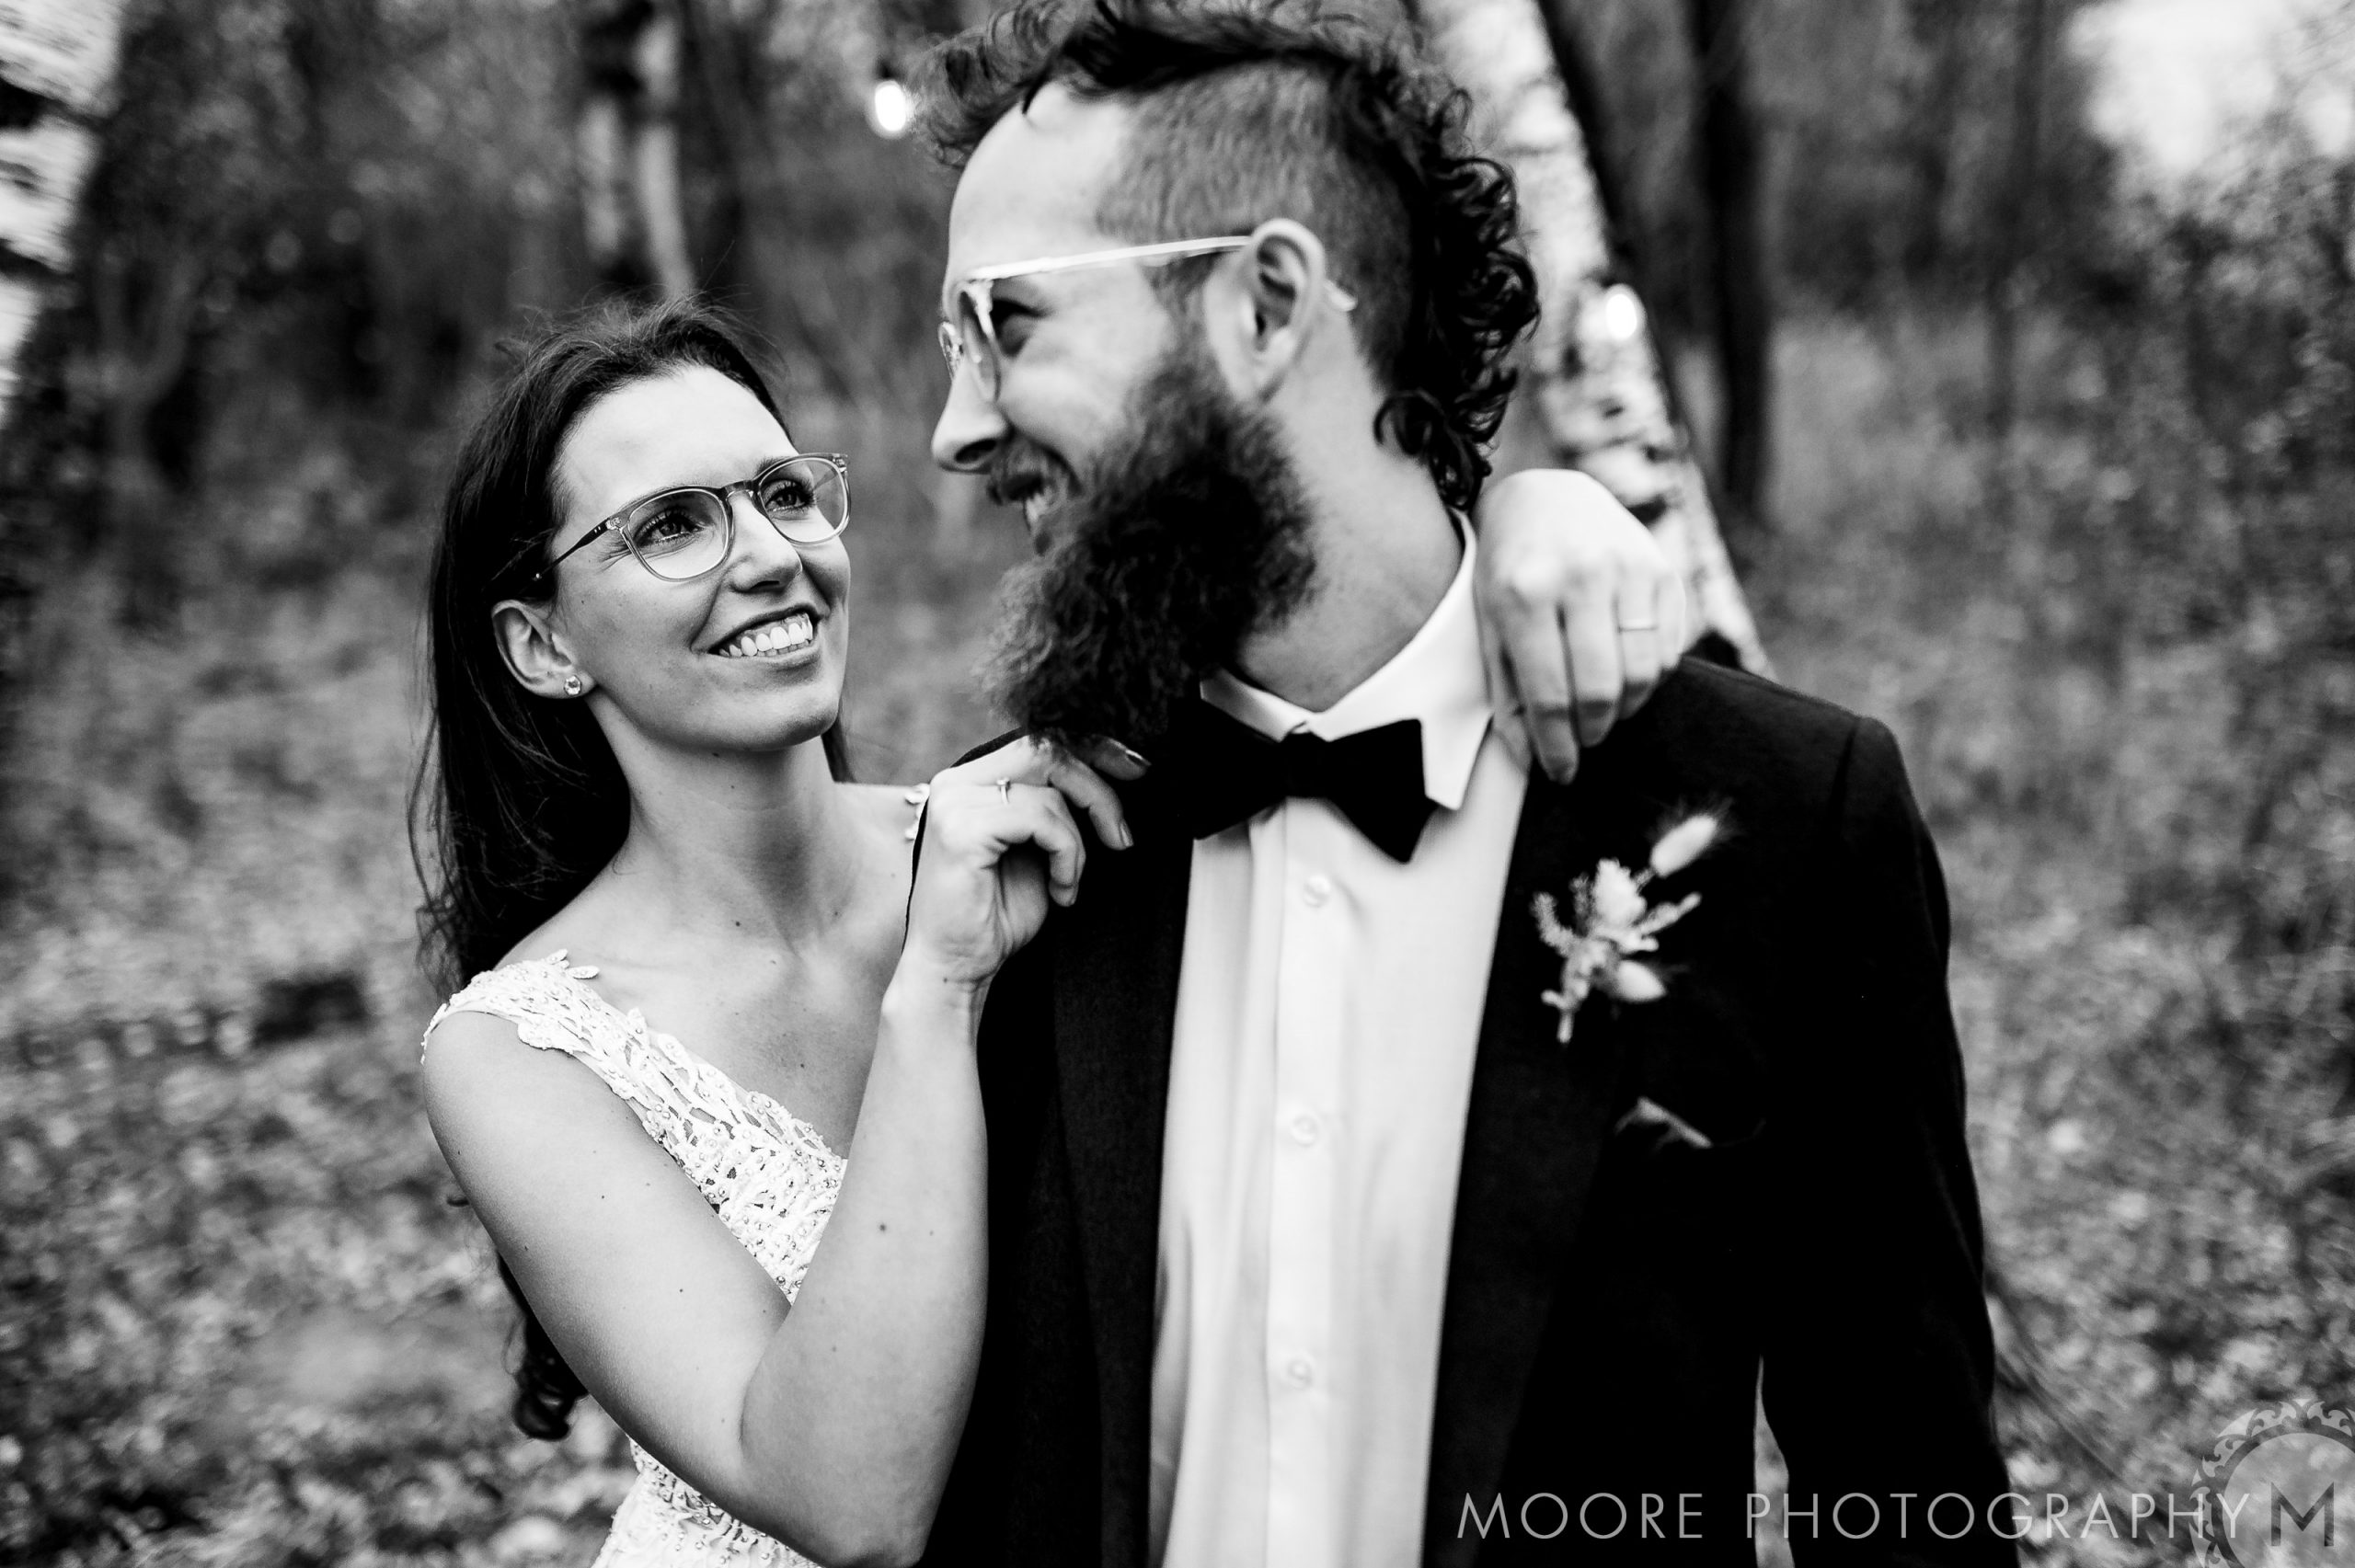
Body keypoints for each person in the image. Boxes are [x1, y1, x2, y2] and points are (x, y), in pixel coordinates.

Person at [913, 5, 2017, 1566]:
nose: (954, 429)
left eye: (1006, 326)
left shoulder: (1777, 816)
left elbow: (1905, 1497)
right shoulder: (1008, 860)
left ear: (1266, 301)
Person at [413, 298, 1683, 1567]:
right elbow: (848, 1503)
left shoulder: (1019, 835)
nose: (767, 555)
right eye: (674, 526)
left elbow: (1314, 628)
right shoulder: (521, 1051)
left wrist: (1534, 518)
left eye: (785, 495)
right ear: (542, 644)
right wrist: (938, 992)